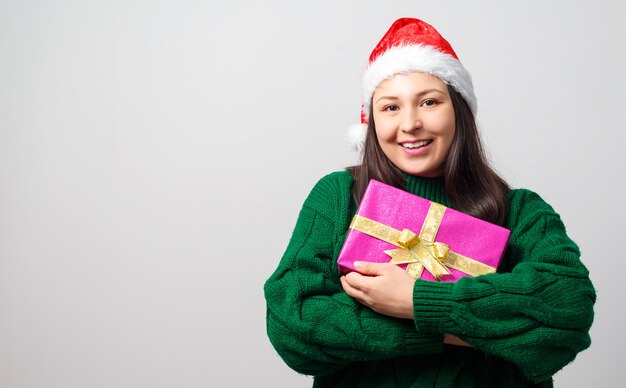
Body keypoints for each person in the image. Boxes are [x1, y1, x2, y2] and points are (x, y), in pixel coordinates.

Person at [264, 18, 595, 387]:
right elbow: (294, 323)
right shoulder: (340, 195)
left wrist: (417, 301)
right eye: (390, 107)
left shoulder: (520, 211)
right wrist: (453, 330)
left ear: (459, 111)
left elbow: (567, 309)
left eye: (429, 102)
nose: (410, 124)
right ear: (371, 120)